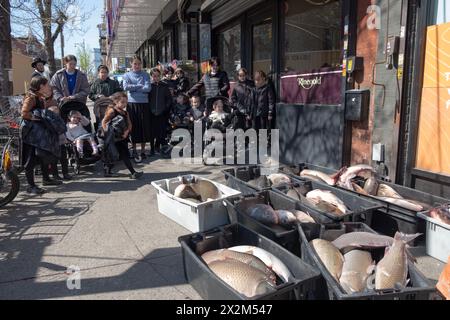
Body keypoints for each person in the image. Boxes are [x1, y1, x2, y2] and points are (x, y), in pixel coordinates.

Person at [21, 77, 63, 194]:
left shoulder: (40, 96)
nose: (49, 85)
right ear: (40, 86)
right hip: (30, 134)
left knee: (43, 155)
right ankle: (31, 186)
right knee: (30, 159)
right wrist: (37, 118)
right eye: (47, 84)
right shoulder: (31, 97)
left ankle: (46, 179)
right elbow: (24, 113)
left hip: (38, 134)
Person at [102, 92, 143, 179]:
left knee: (124, 155)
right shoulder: (112, 111)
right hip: (113, 139)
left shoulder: (125, 113)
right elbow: (104, 122)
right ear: (116, 102)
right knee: (114, 156)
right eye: (122, 102)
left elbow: (129, 124)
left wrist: (126, 132)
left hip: (122, 138)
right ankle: (107, 170)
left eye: (126, 102)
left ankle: (133, 173)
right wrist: (109, 133)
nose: (125, 104)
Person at [122, 56, 151, 160]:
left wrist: (133, 87)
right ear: (131, 64)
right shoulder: (126, 75)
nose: (137, 65)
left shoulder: (146, 74)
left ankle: (143, 151)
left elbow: (148, 88)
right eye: (135, 64)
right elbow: (125, 87)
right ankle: (134, 150)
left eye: (139, 63)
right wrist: (139, 86)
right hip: (131, 104)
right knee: (133, 127)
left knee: (143, 127)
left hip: (144, 104)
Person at [148, 68, 172, 156]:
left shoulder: (164, 85)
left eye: (158, 76)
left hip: (162, 113)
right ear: (151, 76)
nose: (156, 78)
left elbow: (169, 99)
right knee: (151, 132)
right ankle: (151, 149)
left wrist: (165, 108)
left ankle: (157, 146)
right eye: (154, 76)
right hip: (151, 113)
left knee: (160, 131)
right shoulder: (149, 86)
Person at [47, 106, 72, 181]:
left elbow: (64, 129)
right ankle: (55, 175)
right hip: (53, 143)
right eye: (53, 112)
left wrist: (67, 139)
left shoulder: (60, 119)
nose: (56, 114)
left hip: (61, 142)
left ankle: (65, 173)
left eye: (57, 112)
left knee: (64, 159)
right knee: (53, 160)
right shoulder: (48, 120)